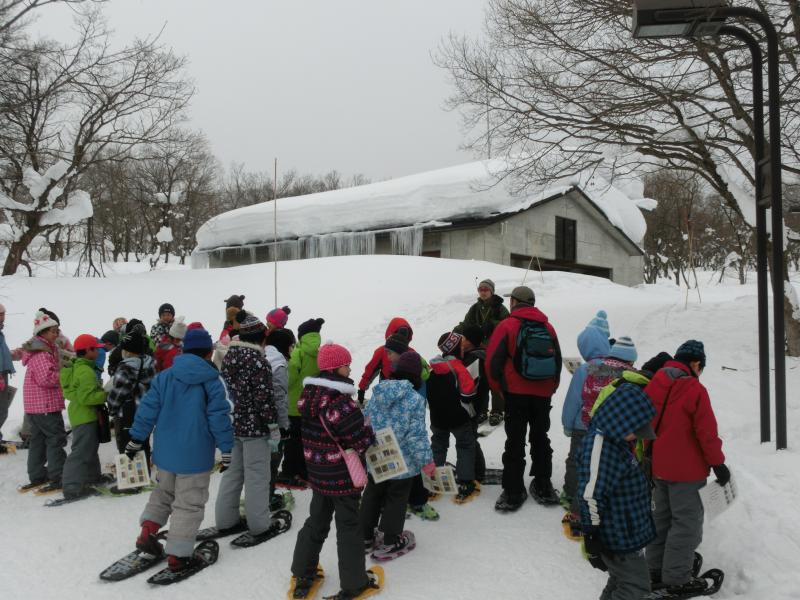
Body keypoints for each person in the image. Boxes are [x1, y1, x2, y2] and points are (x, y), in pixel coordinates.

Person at [127, 327, 234, 573]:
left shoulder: (165, 377)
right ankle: (178, 555)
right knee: (189, 503)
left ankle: (147, 532)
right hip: (195, 457)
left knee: (163, 493)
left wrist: (136, 438)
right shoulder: (212, 380)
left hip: (165, 453)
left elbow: (147, 409)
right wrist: (226, 449)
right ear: (209, 353)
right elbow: (220, 417)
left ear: (184, 350)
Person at [289, 343, 379, 600]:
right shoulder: (340, 403)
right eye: (347, 364)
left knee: (316, 521)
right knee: (349, 526)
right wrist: (368, 429)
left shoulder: (309, 396)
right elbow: (361, 440)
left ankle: (303, 571)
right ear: (336, 367)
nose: (350, 367)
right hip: (342, 478)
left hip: (318, 474)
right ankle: (354, 583)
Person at [644, 340, 729, 596]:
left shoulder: (656, 382)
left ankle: (654, 570)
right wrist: (718, 463)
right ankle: (676, 578)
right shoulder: (694, 389)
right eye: (701, 366)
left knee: (660, 520)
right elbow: (706, 432)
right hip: (687, 472)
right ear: (695, 363)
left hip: (658, 466)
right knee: (686, 524)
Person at [577, 371, 658, 600]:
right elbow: (590, 495)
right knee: (636, 588)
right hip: (616, 534)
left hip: (626, 530)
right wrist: (591, 536)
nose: (636, 437)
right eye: (635, 431)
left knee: (621, 581)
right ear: (621, 421)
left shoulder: (615, 441)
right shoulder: (601, 447)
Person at [485, 285, 562, 511]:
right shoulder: (548, 327)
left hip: (515, 393)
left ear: (514, 302)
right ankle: (543, 484)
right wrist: (550, 388)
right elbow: (556, 361)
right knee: (541, 437)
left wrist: (500, 389)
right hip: (543, 393)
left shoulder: (507, 325)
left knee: (515, 440)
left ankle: (513, 490)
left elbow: (492, 363)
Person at [215, 314, 288, 541]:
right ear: (261, 338)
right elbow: (264, 399)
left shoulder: (229, 357)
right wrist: (273, 425)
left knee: (233, 474)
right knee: (257, 475)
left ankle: (226, 520)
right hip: (255, 428)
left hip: (233, 424)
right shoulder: (258, 361)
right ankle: (259, 525)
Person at [360, 351, 435, 560]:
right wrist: (426, 462)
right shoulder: (414, 399)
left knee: (373, 493)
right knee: (396, 498)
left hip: (378, 455)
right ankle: (391, 540)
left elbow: (365, 421)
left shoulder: (378, 392)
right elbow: (416, 435)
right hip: (403, 463)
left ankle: (365, 536)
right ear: (416, 375)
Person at [560, 310, 611, 515]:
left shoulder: (584, 370)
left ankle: (571, 493)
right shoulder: (612, 369)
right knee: (596, 463)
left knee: (575, 460)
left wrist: (567, 424)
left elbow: (574, 400)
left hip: (582, 426)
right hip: (603, 427)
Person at [427, 332, 480, 504]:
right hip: (458, 417)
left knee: (438, 446)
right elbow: (468, 393)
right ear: (457, 349)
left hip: (437, 418)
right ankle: (465, 482)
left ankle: (433, 480)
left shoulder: (432, 368)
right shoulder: (458, 367)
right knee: (465, 445)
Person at [19, 311, 67, 493]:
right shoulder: (41, 354)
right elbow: (46, 379)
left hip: (36, 406)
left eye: (57, 330)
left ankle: (37, 475)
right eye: (53, 331)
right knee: (55, 439)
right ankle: (59, 477)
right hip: (45, 405)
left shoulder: (44, 350)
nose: (56, 334)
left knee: (38, 441)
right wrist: (64, 374)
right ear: (43, 333)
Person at [455, 279, 510, 425]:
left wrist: (492, 324)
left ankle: (498, 411)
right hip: (479, 350)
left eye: (486, 289)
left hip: (495, 349)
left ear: (492, 291)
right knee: (482, 382)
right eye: (481, 289)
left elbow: (508, 324)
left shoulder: (500, 308)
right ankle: (482, 411)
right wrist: (456, 331)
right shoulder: (475, 308)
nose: (483, 292)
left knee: (495, 381)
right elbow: (466, 324)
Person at [59, 334, 107, 499]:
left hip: (79, 414)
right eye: (95, 350)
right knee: (81, 451)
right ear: (87, 351)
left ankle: (93, 477)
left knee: (90, 448)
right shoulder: (85, 371)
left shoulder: (75, 367)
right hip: (85, 416)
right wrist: (105, 394)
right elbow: (87, 397)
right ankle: (71, 487)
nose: (98, 353)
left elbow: (72, 391)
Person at [278, 317, 324, 488]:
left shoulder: (298, 352)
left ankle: (289, 472)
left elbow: (289, 378)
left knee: (292, 443)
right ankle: (307, 472)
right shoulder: (320, 352)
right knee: (307, 441)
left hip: (294, 406)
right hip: (312, 406)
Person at [106, 321, 157, 468]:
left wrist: (112, 408)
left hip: (128, 415)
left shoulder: (125, 368)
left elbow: (118, 394)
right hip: (146, 412)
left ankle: (131, 482)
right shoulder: (151, 364)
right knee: (143, 442)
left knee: (127, 447)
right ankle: (145, 471)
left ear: (127, 351)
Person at [265, 327, 295, 508]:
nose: (292, 350)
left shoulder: (261, 356)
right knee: (273, 459)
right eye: (291, 346)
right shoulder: (279, 364)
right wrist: (284, 426)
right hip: (273, 423)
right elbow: (280, 397)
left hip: (254, 421)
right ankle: (267, 498)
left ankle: (261, 495)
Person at [357, 317, 415, 404]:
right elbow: (370, 370)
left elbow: (423, 371)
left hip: (397, 392)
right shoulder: (383, 352)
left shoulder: (410, 353)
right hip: (392, 391)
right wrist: (361, 390)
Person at [460, 325, 488, 481]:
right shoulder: (476, 356)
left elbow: (469, 385)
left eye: (464, 338)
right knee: (470, 436)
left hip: (472, 405)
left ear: (470, 341)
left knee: (469, 437)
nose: (461, 340)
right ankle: (475, 468)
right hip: (477, 403)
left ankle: (477, 471)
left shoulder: (474, 359)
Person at [0, 304, 17, 447]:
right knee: (1, 410)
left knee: (3, 409)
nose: (3, 317)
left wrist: (14, 354)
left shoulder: (1, 333)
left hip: (3, 374)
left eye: (4, 314)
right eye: (0, 314)